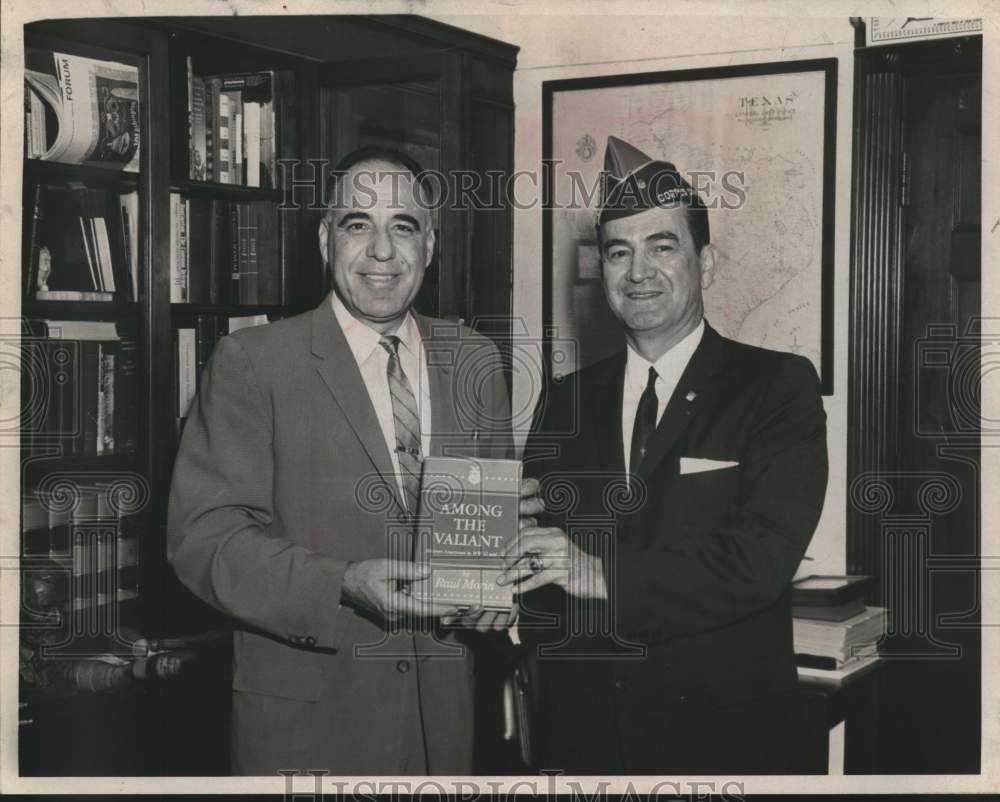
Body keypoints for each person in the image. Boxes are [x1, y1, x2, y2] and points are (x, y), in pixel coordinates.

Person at [168, 146, 535, 775]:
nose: (382, 251)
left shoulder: (475, 358)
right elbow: (203, 541)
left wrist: (507, 574)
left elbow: (484, 537)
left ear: (431, 243)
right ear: (324, 238)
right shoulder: (253, 362)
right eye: (357, 224)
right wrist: (342, 582)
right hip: (309, 726)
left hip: (443, 723)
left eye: (404, 226)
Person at [502, 136, 829, 774]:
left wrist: (599, 574)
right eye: (619, 252)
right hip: (585, 737)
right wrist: (496, 577)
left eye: (662, 246)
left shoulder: (776, 387)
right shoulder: (565, 400)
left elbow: (758, 560)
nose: (638, 272)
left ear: (705, 264)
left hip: (723, 742)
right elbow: (544, 578)